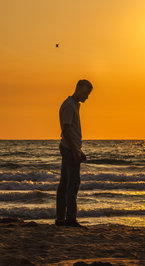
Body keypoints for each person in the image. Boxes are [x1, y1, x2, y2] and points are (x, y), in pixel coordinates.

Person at [55, 79, 93, 227]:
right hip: (69, 149)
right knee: (72, 184)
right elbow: (66, 130)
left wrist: (79, 150)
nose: (87, 97)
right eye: (85, 93)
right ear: (78, 89)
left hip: (71, 148)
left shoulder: (73, 105)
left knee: (65, 184)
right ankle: (70, 219)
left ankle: (61, 219)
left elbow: (71, 131)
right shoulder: (69, 106)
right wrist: (75, 152)